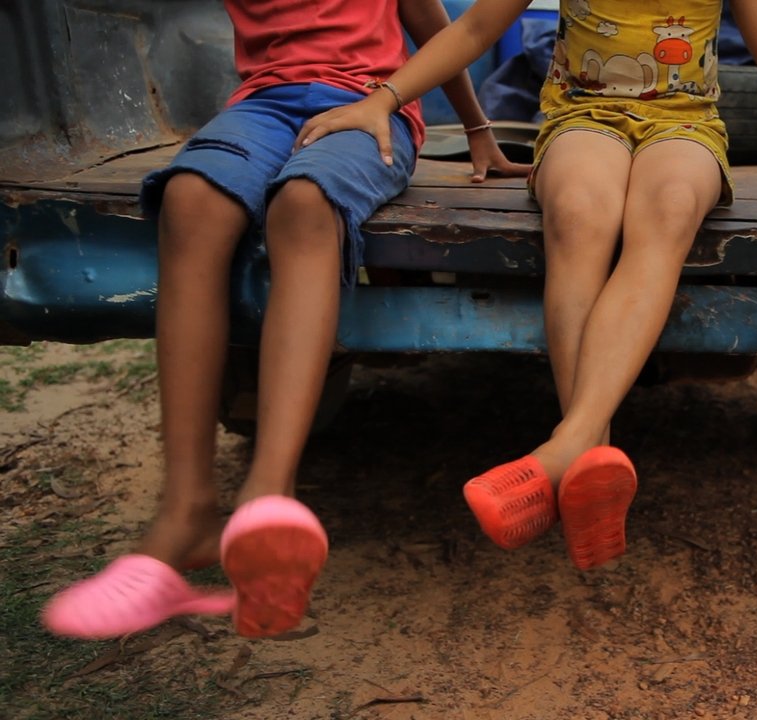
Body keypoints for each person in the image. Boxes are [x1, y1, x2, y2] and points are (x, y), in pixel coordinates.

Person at [292, 0, 757, 570]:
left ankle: (569, 445)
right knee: (580, 214)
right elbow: (472, 30)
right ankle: (593, 459)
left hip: (685, 128)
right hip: (582, 121)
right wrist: (383, 99)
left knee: (669, 209)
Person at [41, 0, 530, 640]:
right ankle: (186, 511)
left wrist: (476, 128)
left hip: (370, 106)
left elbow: (442, 26)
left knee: (304, 202)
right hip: (263, 106)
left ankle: (269, 495)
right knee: (189, 199)